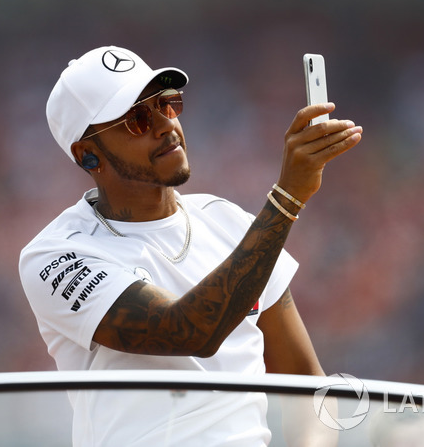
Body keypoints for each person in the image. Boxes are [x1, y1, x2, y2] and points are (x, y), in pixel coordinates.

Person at [19, 46, 362, 446]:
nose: (165, 125)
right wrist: (286, 199)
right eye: (137, 119)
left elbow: (308, 385)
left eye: (167, 104)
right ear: (89, 156)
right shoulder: (56, 255)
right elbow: (188, 330)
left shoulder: (230, 223)